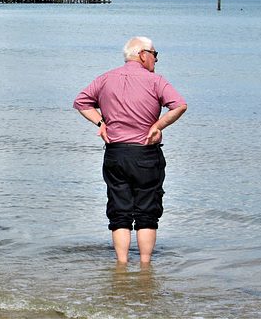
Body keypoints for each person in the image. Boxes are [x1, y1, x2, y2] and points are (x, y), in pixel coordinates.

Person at [73, 37, 187, 264]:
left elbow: (81, 102)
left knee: (120, 211)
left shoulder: (106, 78)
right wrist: (157, 125)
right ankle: (145, 266)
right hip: (145, 152)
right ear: (143, 54)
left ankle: (122, 265)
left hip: (115, 153)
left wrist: (101, 123)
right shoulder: (155, 81)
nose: (156, 59)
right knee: (147, 212)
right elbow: (179, 105)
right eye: (155, 54)